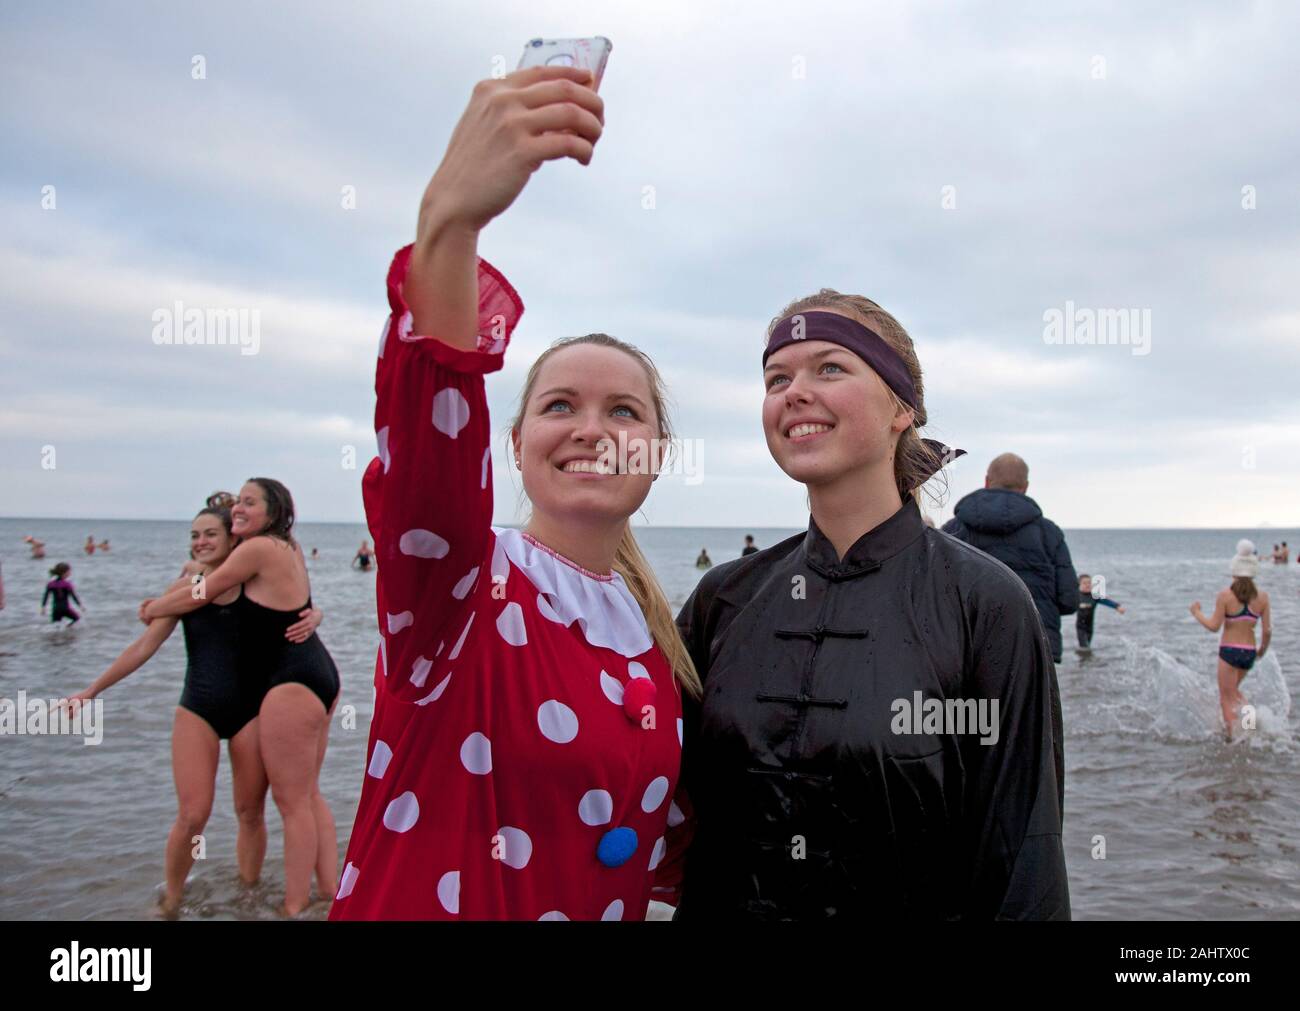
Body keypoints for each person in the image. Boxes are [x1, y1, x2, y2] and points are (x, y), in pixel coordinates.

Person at [329, 64, 697, 921]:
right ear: (515, 444)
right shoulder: (456, 592)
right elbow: (425, 469)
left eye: (624, 410)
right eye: (559, 405)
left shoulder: (658, 644)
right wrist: (448, 227)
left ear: (658, 450)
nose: (590, 427)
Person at [673, 291, 1069, 919]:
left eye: (829, 367)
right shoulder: (724, 599)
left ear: (901, 409)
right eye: (777, 378)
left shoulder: (985, 606)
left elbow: (1022, 854)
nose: (794, 391)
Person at [65, 493, 322, 915]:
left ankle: (248, 893)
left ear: (231, 538)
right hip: (198, 708)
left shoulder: (254, 585)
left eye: (210, 534)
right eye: (195, 536)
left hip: (252, 712)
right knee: (193, 814)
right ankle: (172, 897)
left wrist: (317, 615)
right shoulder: (187, 588)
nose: (201, 541)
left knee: (249, 812)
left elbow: (297, 604)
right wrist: (92, 690)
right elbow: (143, 648)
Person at [142, 478, 341, 916]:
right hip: (318, 671)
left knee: (291, 804)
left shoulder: (256, 549)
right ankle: (330, 893)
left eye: (251, 503)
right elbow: (300, 602)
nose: (241, 509)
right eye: (239, 502)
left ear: (273, 511)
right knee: (308, 795)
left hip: (292, 679)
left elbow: (205, 592)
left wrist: (155, 607)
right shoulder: (285, 545)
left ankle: (293, 907)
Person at [941, 453, 1078, 663]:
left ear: (987, 481)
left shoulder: (953, 531)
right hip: (1034, 650)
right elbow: (1069, 600)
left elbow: (934, 594)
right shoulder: (1049, 534)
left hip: (967, 649)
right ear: (1025, 487)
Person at [1190, 540, 1272, 739]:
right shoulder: (1262, 597)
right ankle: (1246, 728)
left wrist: (1196, 612)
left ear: (1234, 571)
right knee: (1234, 693)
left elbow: (1213, 626)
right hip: (1249, 653)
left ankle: (1234, 736)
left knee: (1227, 698)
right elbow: (1268, 630)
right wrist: (1262, 650)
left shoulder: (1225, 596)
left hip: (1229, 652)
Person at [1075, 573, 1125, 649]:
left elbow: (1106, 601)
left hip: (1089, 625)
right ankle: (1084, 657)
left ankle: (1086, 658)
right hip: (1080, 626)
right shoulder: (1076, 595)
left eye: (1089, 583)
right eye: (1084, 583)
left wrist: (1117, 607)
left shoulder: (1094, 596)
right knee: (1084, 646)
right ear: (1079, 584)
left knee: (1088, 644)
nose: (1087, 585)